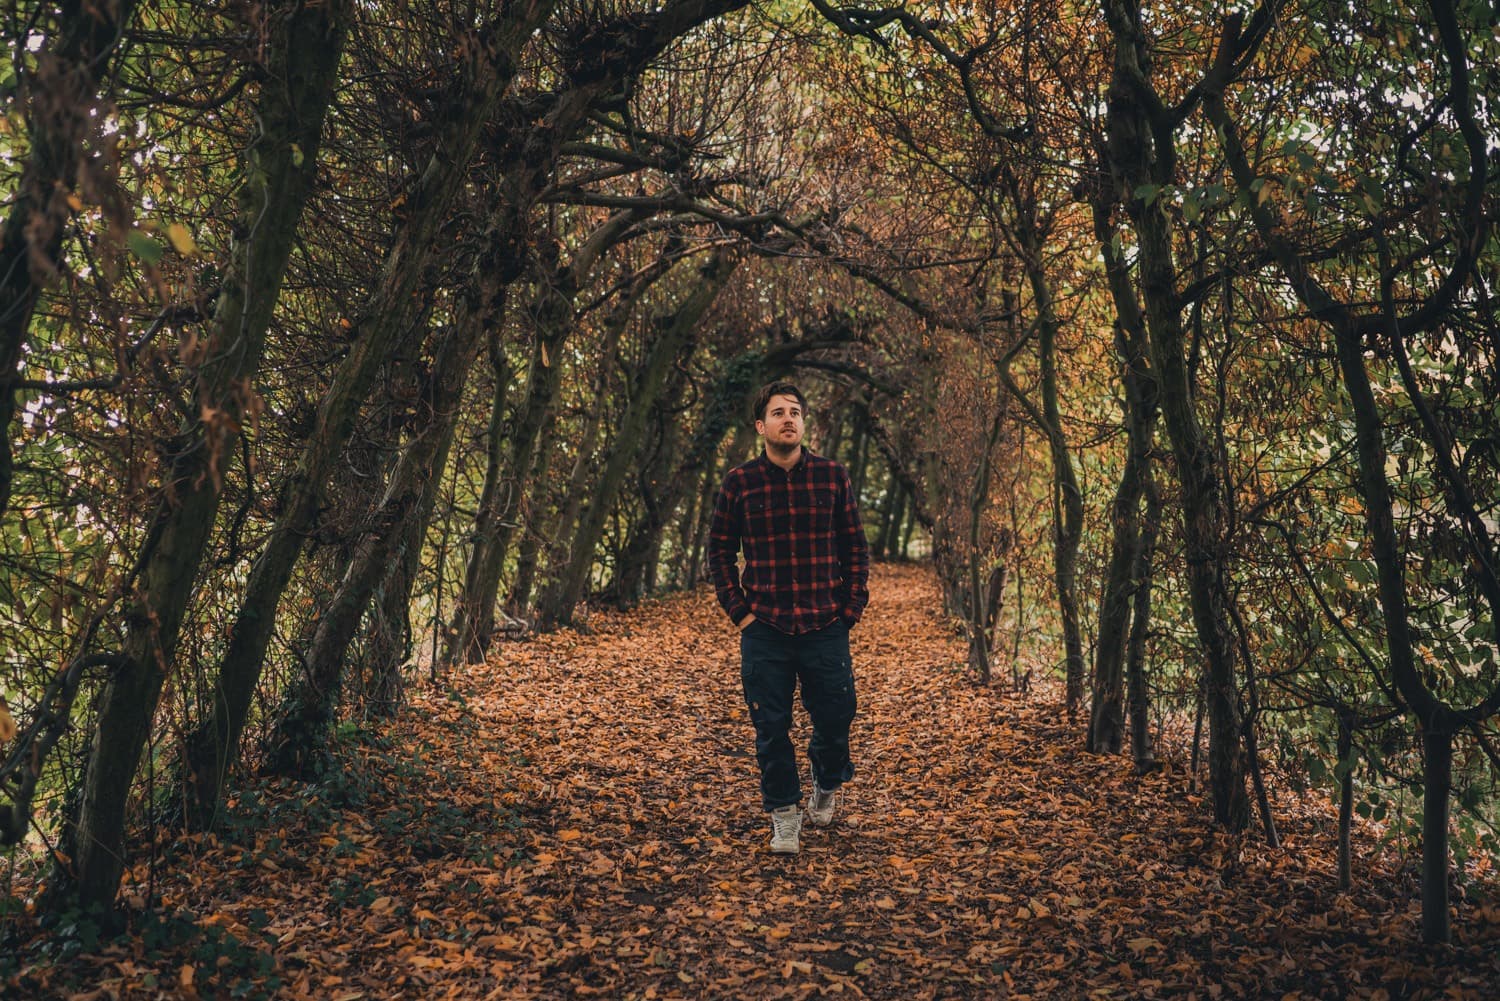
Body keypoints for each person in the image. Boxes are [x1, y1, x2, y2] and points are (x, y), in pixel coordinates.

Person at [707, 380, 869, 855]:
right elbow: (719, 551)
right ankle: (784, 815)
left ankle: (825, 780)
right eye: (778, 412)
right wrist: (740, 614)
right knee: (770, 727)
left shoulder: (832, 476)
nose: (788, 419)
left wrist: (850, 610)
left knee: (838, 717)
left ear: (803, 423)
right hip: (766, 629)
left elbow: (855, 547)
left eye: (795, 411)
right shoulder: (740, 482)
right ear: (761, 426)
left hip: (825, 625)